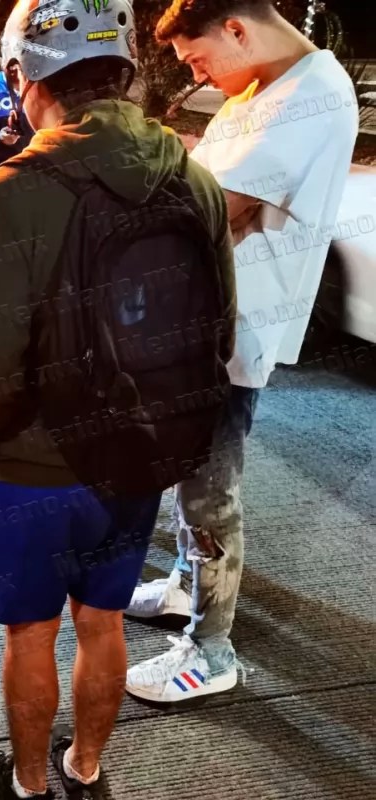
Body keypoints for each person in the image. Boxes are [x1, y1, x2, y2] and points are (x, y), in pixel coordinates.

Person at [0, 1, 236, 798]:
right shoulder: (195, 178)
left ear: (23, 77)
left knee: (31, 632)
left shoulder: (10, 191)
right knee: (102, 621)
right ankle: (87, 769)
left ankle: (29, 785)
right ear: (127, 71)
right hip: (141, 456)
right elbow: (219, 331)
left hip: (37, 469)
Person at [124, 0, 359, 703]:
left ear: (236, 28)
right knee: (188, 471)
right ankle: (185, 585)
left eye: (198, 61)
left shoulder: (309, 95)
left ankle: (211, 648)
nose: (199, 77)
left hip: (231, 332)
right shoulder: (260, 89)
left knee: (209, 489)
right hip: (198, 322)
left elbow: (211, 208)